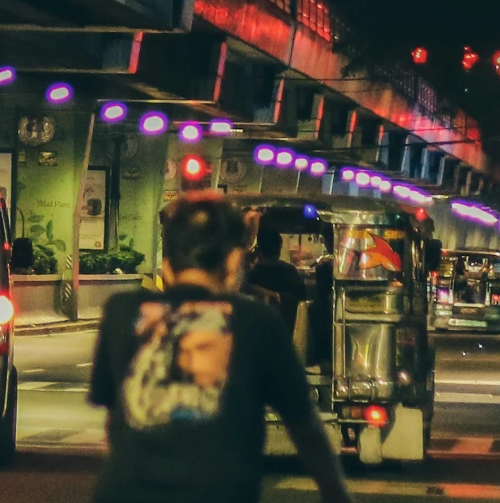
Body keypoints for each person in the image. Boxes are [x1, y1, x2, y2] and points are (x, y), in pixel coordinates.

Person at [89, 194, 350, 503]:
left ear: (167, 265)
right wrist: (336, 494)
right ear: (232, 263)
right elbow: (304, 427)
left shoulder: (121, 312)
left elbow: (113, 414)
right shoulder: (255, 320)